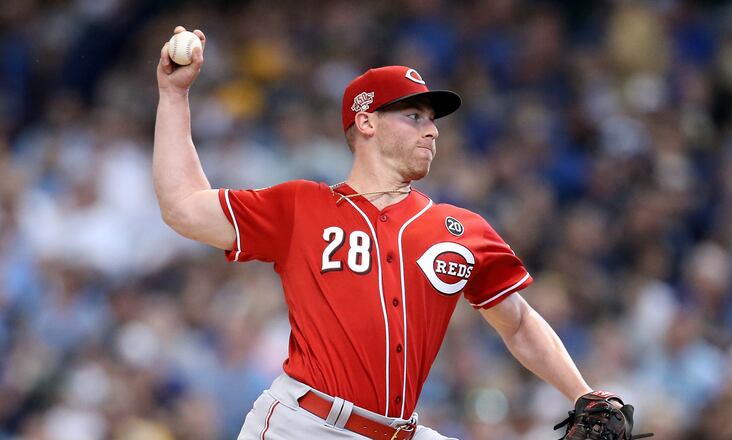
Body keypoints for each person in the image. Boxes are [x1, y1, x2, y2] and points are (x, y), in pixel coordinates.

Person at [154, 27, 619, 440]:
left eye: (432, 120)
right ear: (366, 121)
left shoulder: (461, 230)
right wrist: (174, 97)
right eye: (414, 116)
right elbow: (183, 208)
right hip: (306, 425)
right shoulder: (301, 206)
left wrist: (583, 394)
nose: (432, 131)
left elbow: (517, 322)